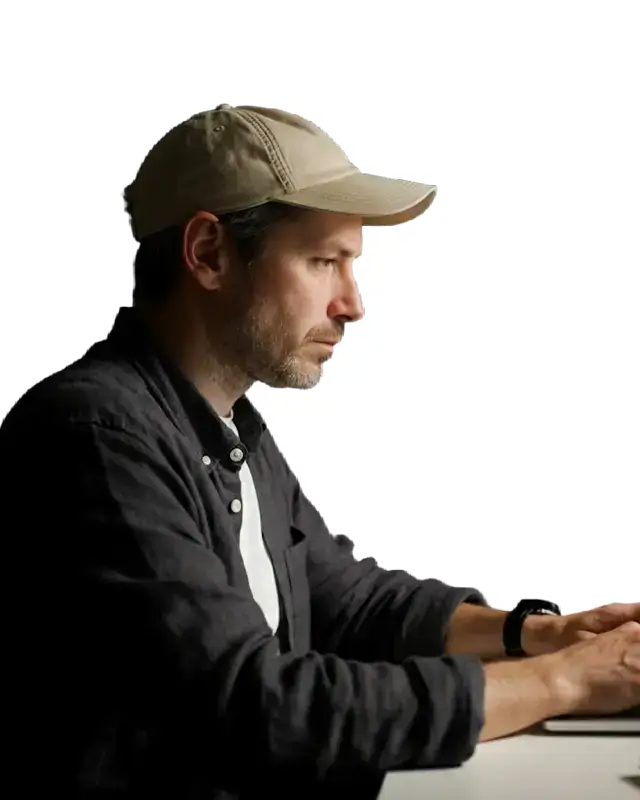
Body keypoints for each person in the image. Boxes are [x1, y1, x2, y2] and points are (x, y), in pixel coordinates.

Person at [1, 103, 638, 800]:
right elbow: (255, 706)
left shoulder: (224, 429)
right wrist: (564, 681)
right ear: (209, 254)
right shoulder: (97, 437)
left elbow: (345, 602)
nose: (352, 304)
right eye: (323, 261)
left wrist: (543, 634)